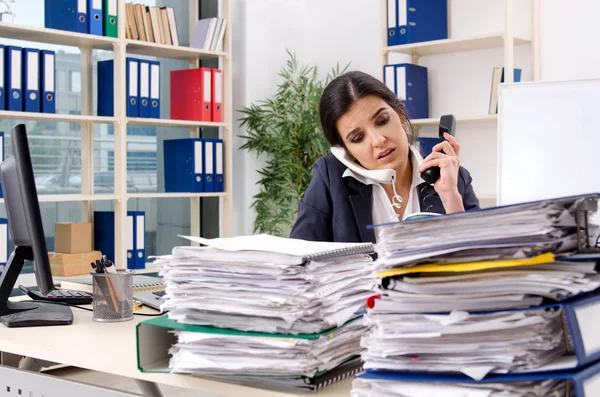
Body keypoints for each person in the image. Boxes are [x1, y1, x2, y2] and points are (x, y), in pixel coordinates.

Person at [290, 71, 480, 243]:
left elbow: (483, 265)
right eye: (358, 138)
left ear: (400, 114)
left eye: (382, 121)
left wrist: (450, 198)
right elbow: (300, 259)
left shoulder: (454, 178)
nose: (378, 140)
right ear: (345, 151)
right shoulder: (330, 178)